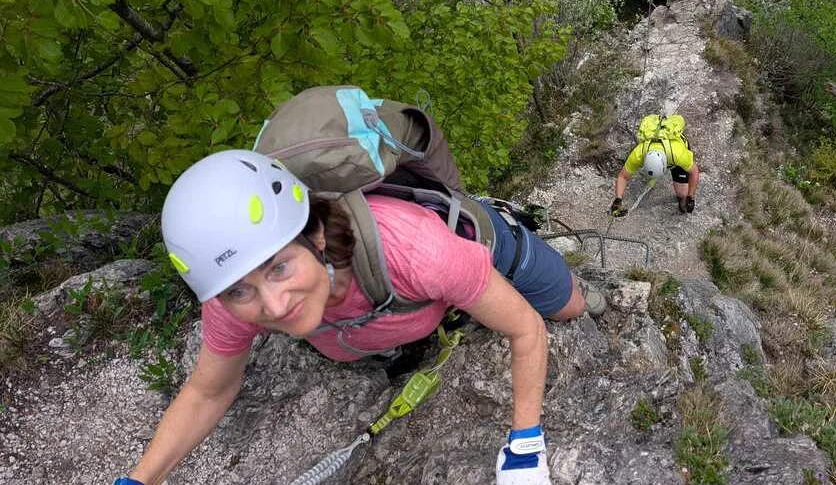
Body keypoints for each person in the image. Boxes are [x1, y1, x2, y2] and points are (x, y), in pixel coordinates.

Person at [112, 149, 604, 485]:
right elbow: (208, 389)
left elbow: (524, 328)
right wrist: (137, 480)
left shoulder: (414, 251)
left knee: (573, 307)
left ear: (316, 236)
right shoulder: (232, 298)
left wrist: (524, 446)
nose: (274, 305)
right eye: (242, 289)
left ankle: (519, 231)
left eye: (280, 267)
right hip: (414, 301)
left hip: (481, 248)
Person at [610, 116, 700, 216]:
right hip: (665, 153)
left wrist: (690, 197)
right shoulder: (639, 154)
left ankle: (682, 201)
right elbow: (623, 176)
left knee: (682, 193)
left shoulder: (678, 154)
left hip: (675, 152)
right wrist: (618, 200)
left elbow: (694, 172)